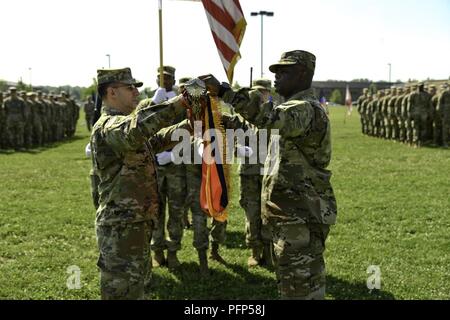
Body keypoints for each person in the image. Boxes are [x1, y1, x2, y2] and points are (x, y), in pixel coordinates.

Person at [199, 50, 337, 299]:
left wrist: (224, 92)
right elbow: (260, 131)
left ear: (303, 74)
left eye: (284, 72)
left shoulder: (305, 109)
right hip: (291, 214)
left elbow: (269, 118)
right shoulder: (292, 110)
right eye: (275, 71)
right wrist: (228, 120)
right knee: (296, 283)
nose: (276, 77)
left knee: (299, 286)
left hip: (300, 215)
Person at [90, 67, 191, 300]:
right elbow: (135, 131)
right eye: (130, 88)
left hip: (137, 223)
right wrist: (181, 101)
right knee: (122, 292)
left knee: (136, 288)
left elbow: (156, 139)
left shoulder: (126, 124)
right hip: (120, 227)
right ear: (112, 92)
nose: (137, 92)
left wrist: (187, 126)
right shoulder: (109, 125)